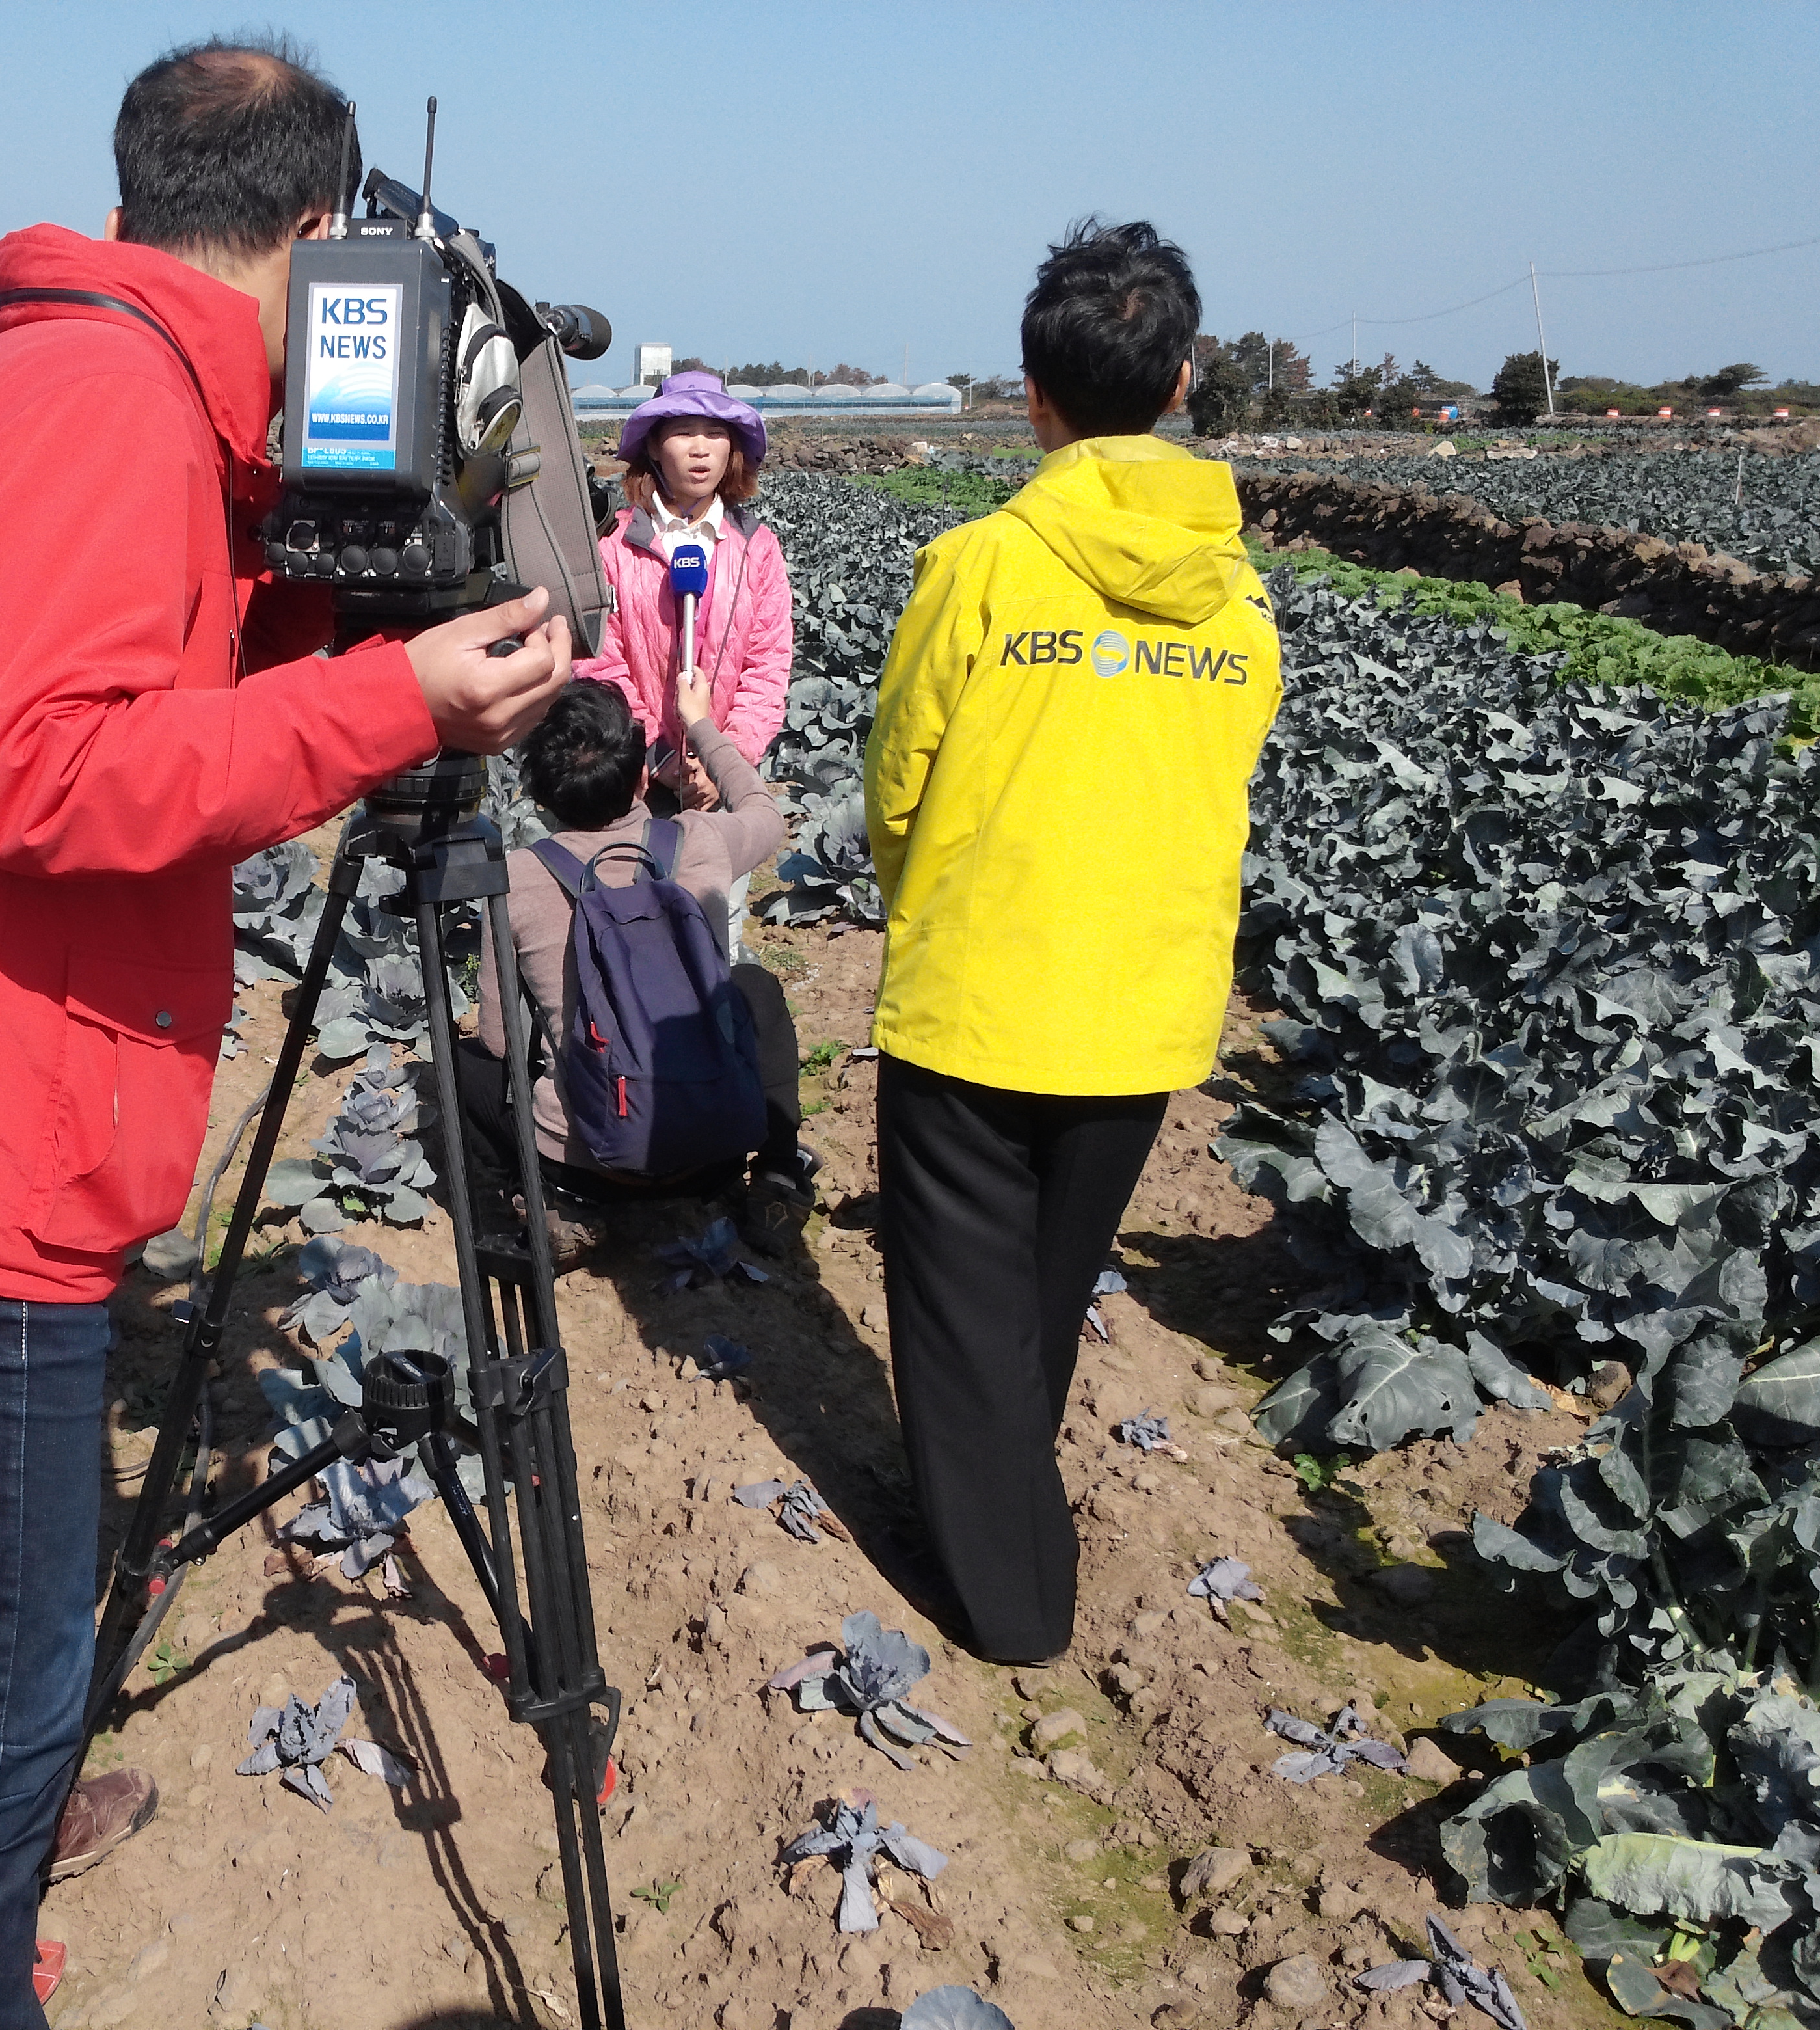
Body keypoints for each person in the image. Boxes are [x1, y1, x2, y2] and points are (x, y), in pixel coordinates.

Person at [0, 38, 572, 2029]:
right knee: (5, 1646)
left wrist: (339, 620)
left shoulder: (84, 378)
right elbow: (50, 775)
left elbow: (152, 662)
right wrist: (398, 709)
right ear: (314, 236)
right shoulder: (101, 404)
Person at [863, 219, 1283, 1667]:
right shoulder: (1239, 601)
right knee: (1043, 1285)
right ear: (1179, 383)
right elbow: (1219, 768)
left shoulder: (978, 565)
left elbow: (897, 776)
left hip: (981, 990)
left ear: (1032, 397)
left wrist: (925, 891)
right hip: (1144, 999)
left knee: (963, 1304)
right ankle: (994, 1496)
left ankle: (1010, 1597)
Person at [462, 675, 810, 1261]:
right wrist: (698, 723)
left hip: (588, 1167)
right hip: (714, 1151)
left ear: (540, 797)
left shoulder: (516, 877)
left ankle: (518, 1212)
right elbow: (765, 812)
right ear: (644, 776)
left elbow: (499, 1042)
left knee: (467, 1063)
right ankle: (777, 1180)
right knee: (756, 987)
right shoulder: (699, 841)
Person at [576, 370, 793, 956]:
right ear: (652, 446)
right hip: (635, 779)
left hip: (718, 782)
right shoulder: (614, 548)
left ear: (734, 450)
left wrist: (723, 759)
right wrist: (657, 756)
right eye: (683, 433)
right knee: (631, 932)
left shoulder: (757, 549)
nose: (700, 449)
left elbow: (768, 668)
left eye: (715, 434)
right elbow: (600, 660)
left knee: (715, 934)